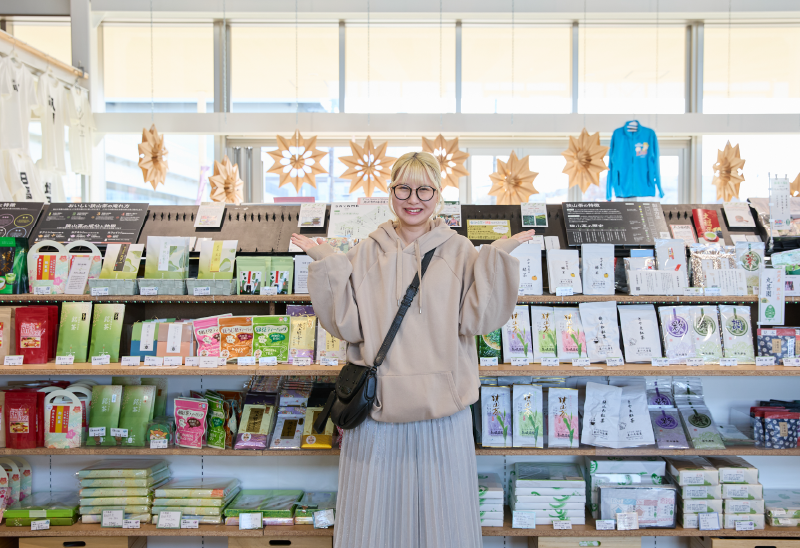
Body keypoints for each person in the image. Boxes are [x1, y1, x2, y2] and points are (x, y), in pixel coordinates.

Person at [291, 151, 535, 548]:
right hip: (377, 411)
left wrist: (497, 255)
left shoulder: (460, 251)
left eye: (425, 188)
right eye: (403, 187)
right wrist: (327, 263)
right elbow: (347, 325)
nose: (413, 198)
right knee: (375, 520)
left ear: (438, 195)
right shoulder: (366, 251)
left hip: (442, 410)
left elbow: (479, 319)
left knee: (443, 520)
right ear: (390, 192)